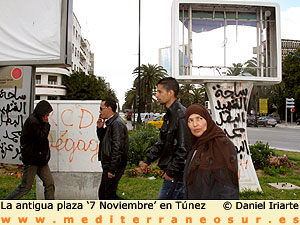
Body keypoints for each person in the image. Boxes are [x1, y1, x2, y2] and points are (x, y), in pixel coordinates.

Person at [139, 77, 190, 200]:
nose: (156, 95)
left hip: (176, 176)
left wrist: (170, 173)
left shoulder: (180, 115)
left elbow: (184, 148)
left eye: (159, 92)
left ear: (170, 93)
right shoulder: (170, 115)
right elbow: (162, 141)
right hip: (175, 175)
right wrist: (147, 160)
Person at [184, 103, 239, 199]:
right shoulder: (196, 144)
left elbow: (229, 188)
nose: (195, 124)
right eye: (190, 120)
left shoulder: (222, 145)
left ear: (207, 119)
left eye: (199, 118)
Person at [5, 100, 55, 200]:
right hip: (32, 160)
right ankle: (5, 204)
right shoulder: (33, 122)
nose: (47, 117)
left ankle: (51, 207)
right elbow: (41, 137)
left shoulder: (38, 120)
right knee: (25, 187)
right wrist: (46, 124)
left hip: (41, 159)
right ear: (42, 113)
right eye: (47, 114)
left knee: (49, 184)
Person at [96, 97, 128, 200]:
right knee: (106, 195)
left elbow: (117, 147)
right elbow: (105, 142)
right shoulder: (111, 123)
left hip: (113, 166)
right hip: (109, 165)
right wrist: (100, 128)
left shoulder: (116, 123)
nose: (100, 111)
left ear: (109, 108)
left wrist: (112, 169)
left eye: (101, 108)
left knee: (107, 196)